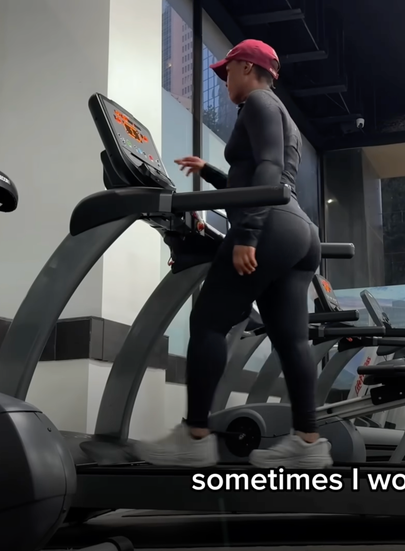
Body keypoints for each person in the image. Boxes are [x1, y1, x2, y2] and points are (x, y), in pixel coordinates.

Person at [134, 39, 332, 470]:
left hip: (270, 225)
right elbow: (261, 178)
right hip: (298, 231)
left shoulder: (258, 102)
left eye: (227, 72)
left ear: (245, 67)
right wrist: (209, 172)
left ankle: (195, 436)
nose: (225, 81)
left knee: (208, 321)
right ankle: (308, 442)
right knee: (292, 339)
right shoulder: (281, 113)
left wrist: (247, 234)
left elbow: (268, 170)